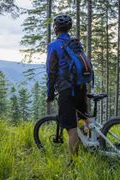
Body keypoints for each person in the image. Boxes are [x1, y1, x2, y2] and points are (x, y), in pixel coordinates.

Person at [45, 15, 88, 162]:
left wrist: (50, 94)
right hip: (81, 86)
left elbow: (51, 73)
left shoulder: (54, 46)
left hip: (66, 90)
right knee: (83, 118)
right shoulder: (75, 43)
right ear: (69, 28)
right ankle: (90, 145)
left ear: (55, 29)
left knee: (71, 128)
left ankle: (74, 163)